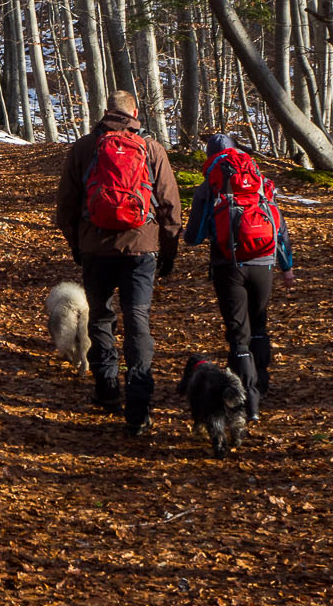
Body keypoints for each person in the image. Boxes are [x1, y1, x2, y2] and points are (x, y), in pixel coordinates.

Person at [55, 89, 184, 436]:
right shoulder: (152, 149)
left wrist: (77, 244)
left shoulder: (84, 148)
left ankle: (107, 388)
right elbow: (170, 207)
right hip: (141, 249)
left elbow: (66, 207)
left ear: (106, 112)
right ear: (135, 112)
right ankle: (139, 404)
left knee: (100, 316)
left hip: (96, 249)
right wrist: (167, 253)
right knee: (137, 319)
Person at [184, 133, 294, 420]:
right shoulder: (258, 182)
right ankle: (262, 386)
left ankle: (247, 401)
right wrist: (287, 266)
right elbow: (279, 227)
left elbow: (193, 236)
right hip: (264, 262)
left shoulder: (209, 185)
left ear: (210, 157)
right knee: (259, 324)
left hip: (228, 265)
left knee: (238, 337)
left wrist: (207, 232)